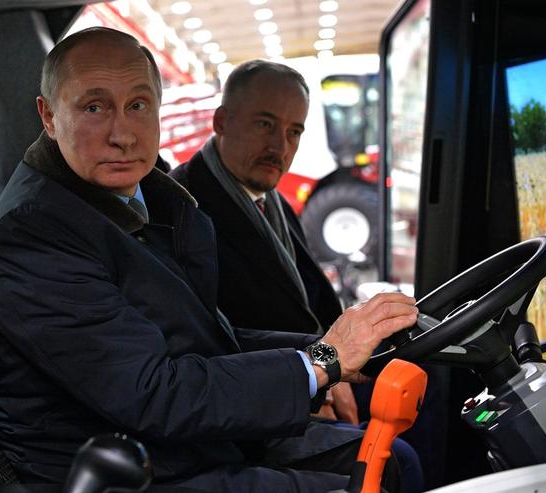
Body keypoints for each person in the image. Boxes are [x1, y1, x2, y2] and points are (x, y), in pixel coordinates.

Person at [0, 27, 419, 492]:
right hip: (127, 473)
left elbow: (208, 339)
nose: (122, 134)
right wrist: (322, 361)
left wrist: (330, 348)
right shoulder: (31, 238)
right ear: (48, 116)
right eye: (94, 107)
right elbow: (154, 395)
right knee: (376, 477)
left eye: (138, 105)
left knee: (395, 458)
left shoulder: (136, 201)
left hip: (184, 445)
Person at [169, 60, 422, 492]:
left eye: (294, 132)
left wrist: (335, 359)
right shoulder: (184, 209)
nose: (279, 146)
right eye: (265, 125)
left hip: (310, 368)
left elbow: (309, 305)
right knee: (402, 452)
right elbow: (219, 339)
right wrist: (314, 384)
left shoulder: (273, 202)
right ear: (222, 121)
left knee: (425, 376)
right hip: (261, 401)